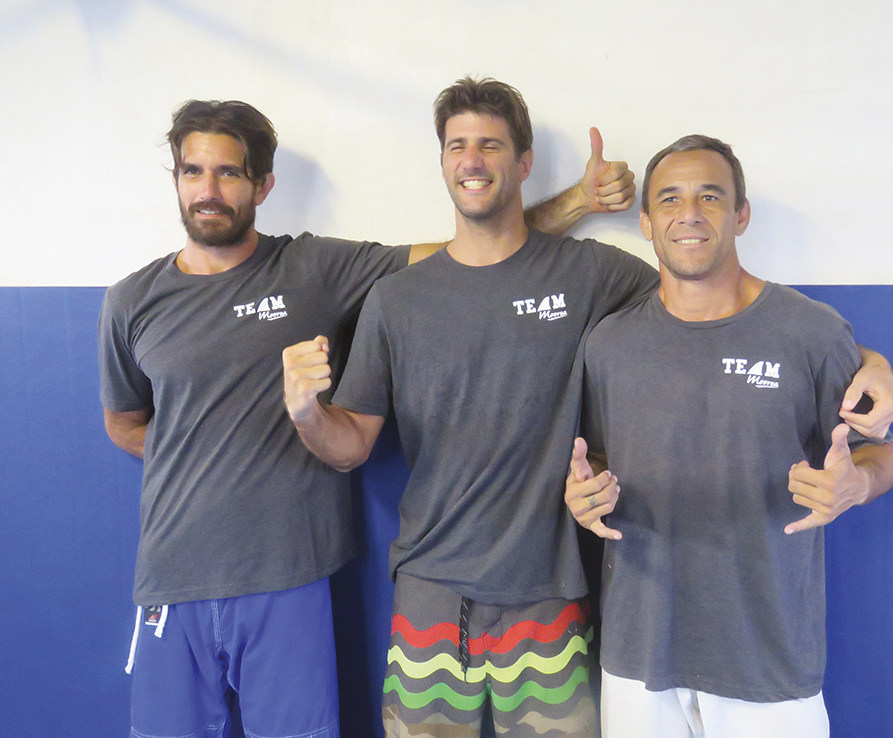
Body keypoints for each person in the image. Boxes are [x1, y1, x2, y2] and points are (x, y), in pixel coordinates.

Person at [282, 80, 893, 738]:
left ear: (522, 163)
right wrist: (304, 411)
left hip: (555, 591)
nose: (472, 159)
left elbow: (717, 308)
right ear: (441, 162)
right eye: (457, 145)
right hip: (435, 590)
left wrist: (869, 363)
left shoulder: (591, 275)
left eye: (490, 144)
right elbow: (349, 447)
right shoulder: (397, 300)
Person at [98, 99, 637, 738]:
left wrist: (576, 200)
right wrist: (215, 447)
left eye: (229, 173)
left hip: (294, 573)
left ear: (262, 185)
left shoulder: (316, 270)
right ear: (176, 180)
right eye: (193, 171)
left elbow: (475, 249)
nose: (209, 189)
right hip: (179, 572)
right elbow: (124, 422)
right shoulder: (132, 300)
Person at [564, 135, 893, 738]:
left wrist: (858, 484)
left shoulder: (810, 332)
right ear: (645, 221)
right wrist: (581, 497)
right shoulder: (608, 345)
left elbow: (882, 448)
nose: (688, 212)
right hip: (640, 653)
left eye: (710, 196)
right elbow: (598, 460)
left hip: (767, 655)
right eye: (669, 199)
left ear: (741, 215)